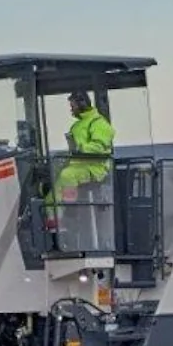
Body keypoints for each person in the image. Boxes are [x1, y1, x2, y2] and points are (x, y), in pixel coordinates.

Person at [45, 91, 115, 248]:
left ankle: (69, 210)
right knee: (51, 194)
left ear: (82, 104)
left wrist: (80, 148)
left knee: (67, 175)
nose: (71, 109)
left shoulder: (99, 124)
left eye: (72, 105)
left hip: (95, 168)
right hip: (79, 165)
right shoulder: (77, 125)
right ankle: (53, 221)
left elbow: (100, 147)